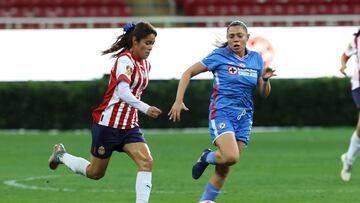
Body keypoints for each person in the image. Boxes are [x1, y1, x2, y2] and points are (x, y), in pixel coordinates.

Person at [48, 21, 162, 203]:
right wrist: (146, 108)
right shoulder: (124, 60)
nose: (150, 48)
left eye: (152, 44)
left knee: (147, 162)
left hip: (130, 126)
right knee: (95, 173)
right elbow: (123, 92)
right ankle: (61, 155)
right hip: (108, 125)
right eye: (147, 43)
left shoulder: (145, 65)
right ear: (135, 41)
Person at [168, 20, 276, 202]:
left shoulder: (256, 58)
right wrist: (178, 100)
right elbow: (188, 73)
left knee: (225, 166)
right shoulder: (219, 56)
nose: (235, 40)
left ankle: (205, 200)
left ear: (247, 38)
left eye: (239, 36)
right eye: (231, 36)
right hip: (222, 112)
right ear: (227, 38)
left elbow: (263, 93)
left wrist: (265, 80)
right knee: (231, 156)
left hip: (244, 116)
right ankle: (206, 157)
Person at [340, 28, 360, 182]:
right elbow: (345, 55)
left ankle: (349, 158)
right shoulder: (356, 41)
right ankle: (349, 158)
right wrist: (343, 65)